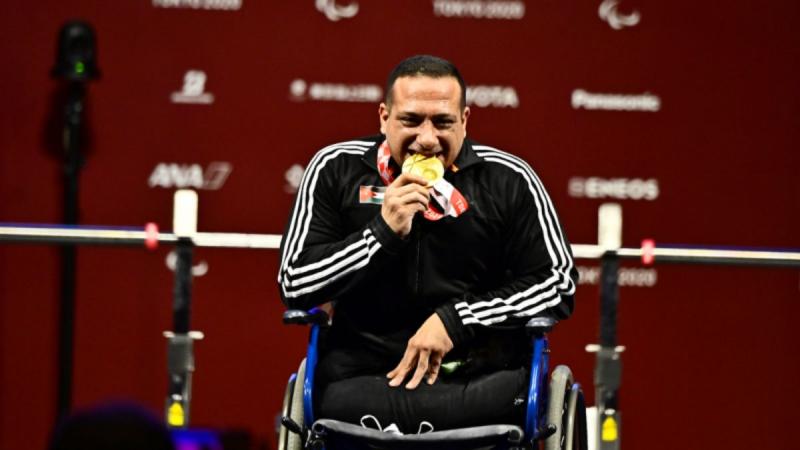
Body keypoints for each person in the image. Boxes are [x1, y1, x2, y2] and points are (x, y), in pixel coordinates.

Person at [278, 55, 577, 433]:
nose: (427, 139)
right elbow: (295, 282)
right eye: (411, 120)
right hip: (361, 377)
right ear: (384, 117)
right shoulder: (335, 168)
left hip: (476, 381)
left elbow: (558, 283)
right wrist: (382, 233)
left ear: (465, 121)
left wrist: (456, 320)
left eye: (443, 122)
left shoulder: (510, 179)